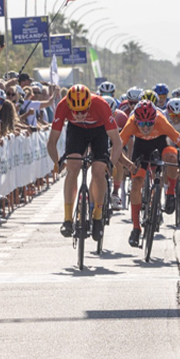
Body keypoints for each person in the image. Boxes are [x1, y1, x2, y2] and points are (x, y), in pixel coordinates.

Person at [47, 85, 122, 242]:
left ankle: (97, 215)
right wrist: (57, 162)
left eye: (83, 111)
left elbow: (117, 142)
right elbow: (52, 141)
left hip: (99, 131)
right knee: (72, 167)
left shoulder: (101, 105)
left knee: (98, 171)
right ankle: (67, 219)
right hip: (77, 131)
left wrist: (112, 164)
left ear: (89, 103)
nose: (80, 114)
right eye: (76, 111)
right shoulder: (62, 106)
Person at [119, 101, 180, 247]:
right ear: (136, 121)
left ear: (154, 120)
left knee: (172, 157)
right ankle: (135, 228)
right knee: (136, 184)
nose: (146, 127)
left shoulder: (161, 121)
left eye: (149, 123)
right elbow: (116, 149)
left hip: (160, 143)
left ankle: (170, 193)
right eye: (142, 124)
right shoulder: (131, 123)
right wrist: (129, 165)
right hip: (141, 147)